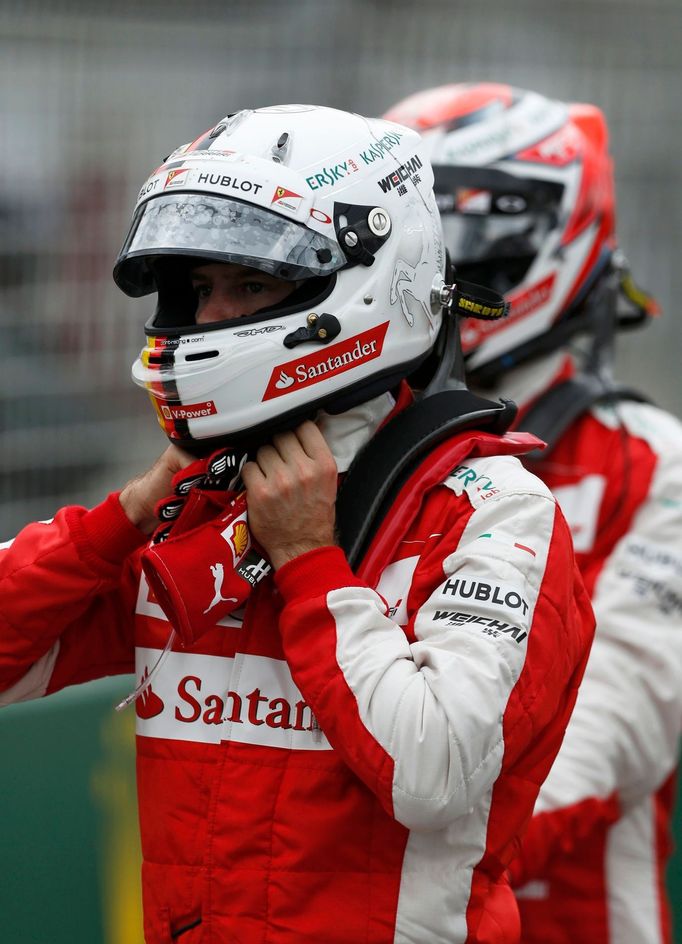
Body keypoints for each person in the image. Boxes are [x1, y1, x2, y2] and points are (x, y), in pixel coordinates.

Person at [0, 104, 594, 944]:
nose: (207, 322)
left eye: (249, 285)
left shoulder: (492, 509)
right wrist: (119, 519)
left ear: (365, 286)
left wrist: (312, 562)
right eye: (200, 290)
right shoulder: (192, 510)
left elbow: (435, 774)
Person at [385, 82, 682, 943]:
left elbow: (606, 744)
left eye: (479, 233)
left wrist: (373, 873)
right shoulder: (340, 449)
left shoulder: (656, 465)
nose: (448, 267)